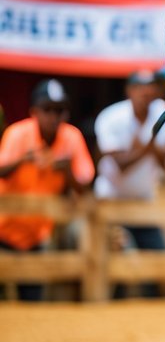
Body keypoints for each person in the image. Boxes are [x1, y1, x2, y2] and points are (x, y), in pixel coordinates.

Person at [0, 79, 95, 298]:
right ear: (34, 112)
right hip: (3, 230)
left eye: (59, 110)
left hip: (36, 236)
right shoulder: (18, 134)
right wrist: (23, 160)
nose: (53, 117)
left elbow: (85, 186)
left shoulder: (71, 137)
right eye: (47, 110)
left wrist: (66, 171)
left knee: (33, 301)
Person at [94, 70, 165, 296]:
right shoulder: (111, 116)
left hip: (144, 200)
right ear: (129, 90)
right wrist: (150, 147)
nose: (146, 91)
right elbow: (119, 164)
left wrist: (140, 150)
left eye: (150, 86)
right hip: (111, 199)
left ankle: (152, 314)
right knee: (115, 257)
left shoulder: (160, 111)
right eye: (140, 86)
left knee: (158, 258)